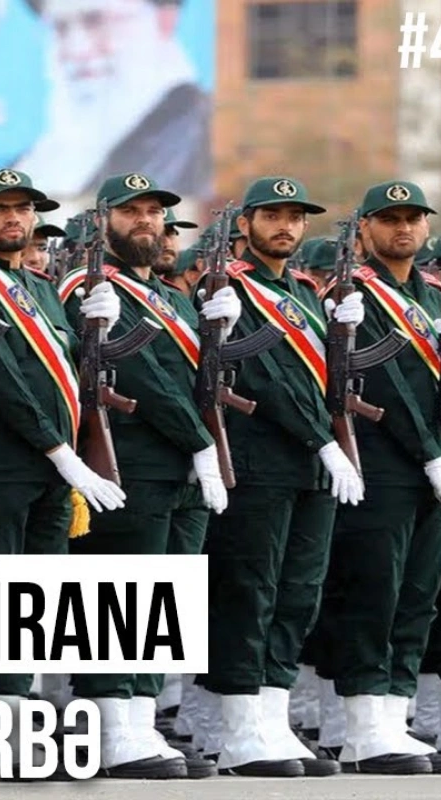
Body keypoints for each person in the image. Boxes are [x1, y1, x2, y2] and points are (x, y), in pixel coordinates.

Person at [0, 168, 125, 775]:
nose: (14, 219)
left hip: (50, 470)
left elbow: (63, 372)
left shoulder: (40, 286)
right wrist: (58, 450)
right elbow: (1, 376)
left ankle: (15, 715)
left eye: (23, 209)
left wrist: (99, 327)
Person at [56, 172, 233, 779]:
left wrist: (222, 331)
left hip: (182, 467)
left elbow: (196, 379)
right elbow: (144, 379)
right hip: (130, 462)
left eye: (154, 212)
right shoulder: (91, 287)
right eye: (131, 211)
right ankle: (109, 730)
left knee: (165, 602)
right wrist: (200, 442)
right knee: (121, 598)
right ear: (103, 220)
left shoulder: (167, 295)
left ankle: (139, 721)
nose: (145, 221)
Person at [201, 176, 364, 777]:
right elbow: (263, 379)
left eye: (295, 217)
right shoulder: (227, 287)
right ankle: (238, 729)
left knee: (298, 594)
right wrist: (323, 441)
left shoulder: (302, 291)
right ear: (245, 224)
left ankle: (272, 721)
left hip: (312, 467)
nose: (286, 227)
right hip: (259, 460)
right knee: (250, 592)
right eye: (272, 215)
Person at [311, 181, 441, 774]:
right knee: (374, 593)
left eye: (413, 218)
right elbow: (382, 384)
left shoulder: (431, 296)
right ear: (364, 228)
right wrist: (429, 451)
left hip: (432, 465)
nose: (403, 229)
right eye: (390, 219)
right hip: (380, 462)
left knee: (418, 597)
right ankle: (363, 725)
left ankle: (394, 715)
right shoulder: (351, 293)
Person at [14, 0, 211, 199]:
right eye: (60, 28)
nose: (77, 50)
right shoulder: (35, 163)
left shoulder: (207, 136)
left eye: (96, 22)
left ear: (164, 21)